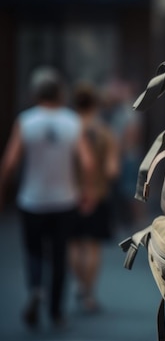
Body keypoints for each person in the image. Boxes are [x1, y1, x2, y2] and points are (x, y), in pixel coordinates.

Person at [0, 67, 95, 329]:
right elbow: (87, 162)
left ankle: (35, 290)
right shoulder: (72, 122)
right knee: (59, 255)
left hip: (32, 200)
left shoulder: (25, 121)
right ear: (60, 93)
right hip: (64, 200)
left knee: (33, 251)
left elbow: (9, 163)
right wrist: (86, 190)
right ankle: (55, 311)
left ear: (35, 93)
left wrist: (2, 192)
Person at [69, 83, 120, 313]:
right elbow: (112, 170)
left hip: (69, 195)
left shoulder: (68, 130)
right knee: (93, 246)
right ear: (95, 104)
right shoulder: (105, 132)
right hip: (98, 195)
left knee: (74, 244)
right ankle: (89, 293)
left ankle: (79, 286)